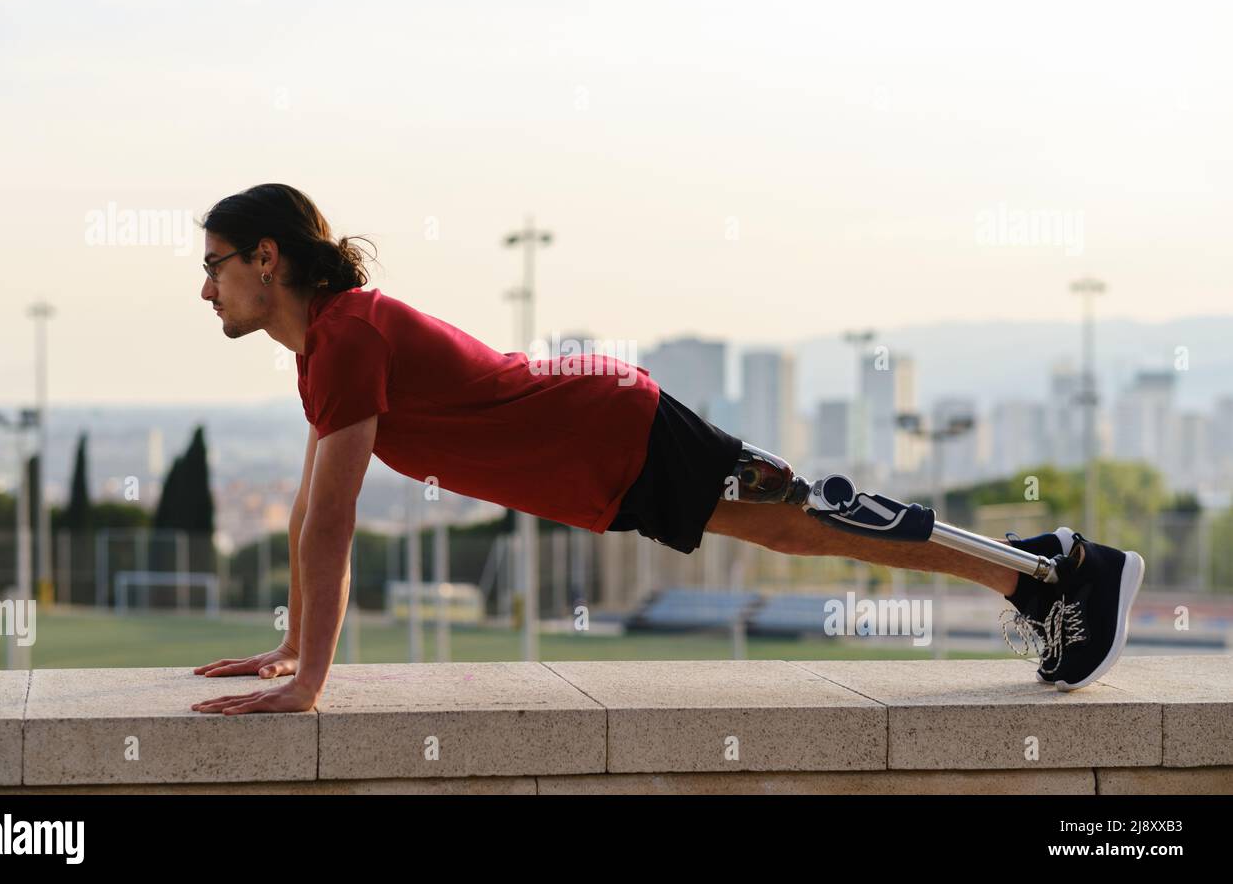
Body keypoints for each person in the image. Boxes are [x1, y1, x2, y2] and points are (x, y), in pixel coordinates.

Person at [190, 183, 1144, 715]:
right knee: (800, 529)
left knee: (809, 519)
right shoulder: (327, 352)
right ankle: (1038, 578)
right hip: (603, 461)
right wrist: (292, 648)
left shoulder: (350, 337)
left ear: (266, 257)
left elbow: (331, 522)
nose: (207, 291)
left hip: (616, 427)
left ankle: (1058, 570)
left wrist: (310, 680)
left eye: (215, 266)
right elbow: (311, 516)